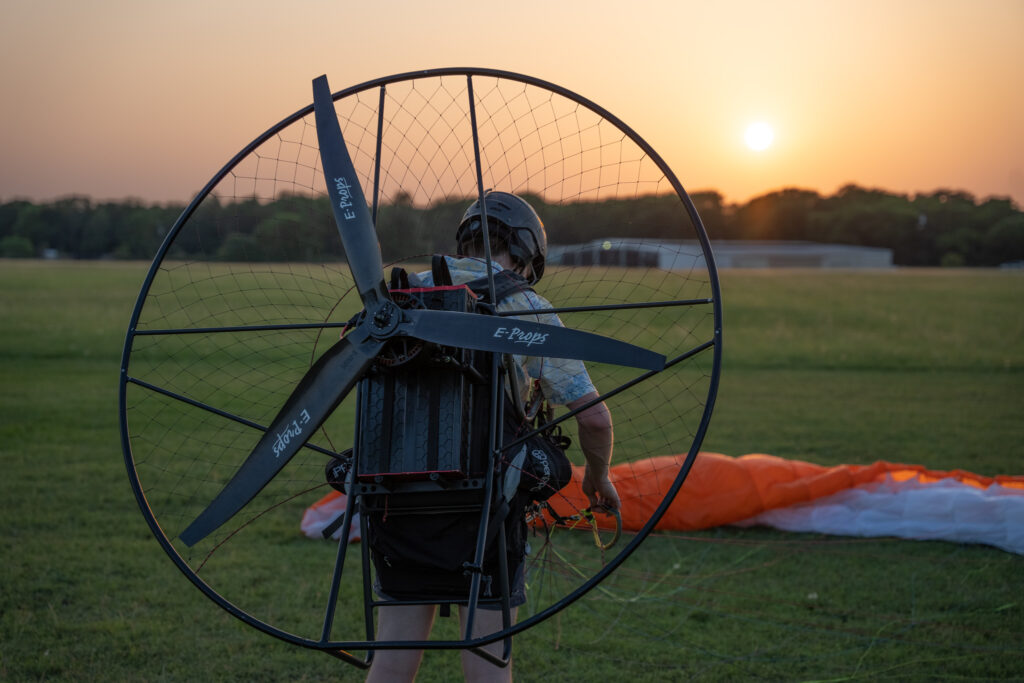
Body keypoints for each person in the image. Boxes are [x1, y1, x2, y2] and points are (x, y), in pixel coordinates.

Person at [365, 191, 618, 683]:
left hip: (398, 504)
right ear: (525, 253)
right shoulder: (528, 306)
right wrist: (598, 478)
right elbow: (595, 419)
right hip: (486, 511)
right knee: (487, 663)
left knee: (392, 658)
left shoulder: (399, 297)